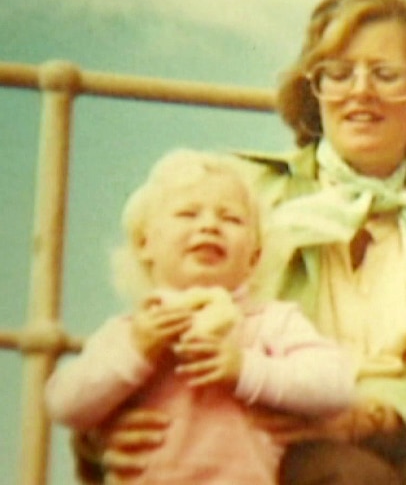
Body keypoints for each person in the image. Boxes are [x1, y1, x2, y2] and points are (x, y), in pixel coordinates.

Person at [77, 0, 406, 484]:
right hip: (272, 437)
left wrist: (379, 417)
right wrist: (104, 430)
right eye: (338, 74)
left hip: (404, 439)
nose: (360, 90)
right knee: (346, 476)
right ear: (313, 91)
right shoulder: (241, 191)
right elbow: (147, 325)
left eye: (386, 75)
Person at [48, 149, 356, 484]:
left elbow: (335, 385)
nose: (209, 225)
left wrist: (246, 368)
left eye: (231, 218)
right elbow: (64, 403)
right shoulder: (130, 331)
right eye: (187, 214)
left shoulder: (270, 322)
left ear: (255, 256)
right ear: (144, 244)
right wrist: (136, 351)